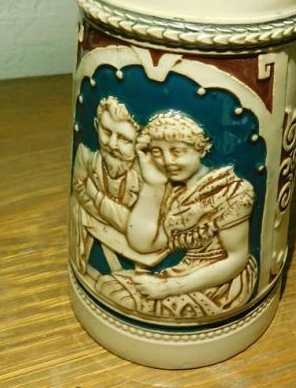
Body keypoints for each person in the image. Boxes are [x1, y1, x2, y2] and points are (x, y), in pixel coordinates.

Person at [96, 111, 258, 318]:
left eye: (177, 151)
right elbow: (144, 244)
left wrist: (168, 287)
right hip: (184, 273)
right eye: (157, 152)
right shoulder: (176, 191)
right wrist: (153, 186)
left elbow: (236, 259)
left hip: (221, 284)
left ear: (201, 149)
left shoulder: (230, 191)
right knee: (108, 287)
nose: (167, 161)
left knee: (122, 298)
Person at [70, 96, 141, 276]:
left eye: (125, 139)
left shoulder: (145, 179)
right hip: (98, 232)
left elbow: (137, 228)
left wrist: (96, 196)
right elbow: (79, 191)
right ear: (96, 125)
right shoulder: (86, 155)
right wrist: (116, 217)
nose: (112, 144)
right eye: (107, 132)